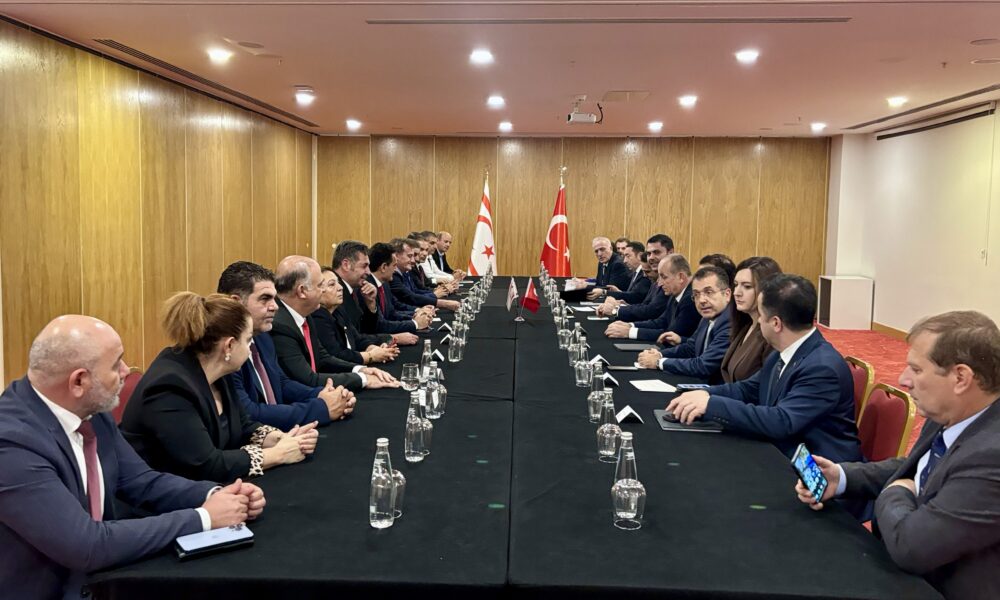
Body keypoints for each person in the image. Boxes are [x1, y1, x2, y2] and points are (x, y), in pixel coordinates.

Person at [0, 315, 265, 599]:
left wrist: (217, 494)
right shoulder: (12, 444)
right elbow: (86, 545)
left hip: (108, 577)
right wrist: (203, 518)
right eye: (116, 364)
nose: (128, 371)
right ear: (79, 381)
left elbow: (143, 481)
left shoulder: (91, 411)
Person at [795, 311, 1000, 600]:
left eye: (916, 369)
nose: (903, 379)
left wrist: (896, 490)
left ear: (960, 378)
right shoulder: (951, 411)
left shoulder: (991, 456)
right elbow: (921, 467)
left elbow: (911, 546)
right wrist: (841, 478)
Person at [121, 293, 319, 482]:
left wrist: (281, 439)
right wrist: (277, 454)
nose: (250, 348)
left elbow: (243, 425)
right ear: (229, 346)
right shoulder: (169, 387)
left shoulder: (219, 370)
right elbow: (206, 464)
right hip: (163, 495)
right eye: (248, 340)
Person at [667, 274, 862, 465]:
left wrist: (712, 405)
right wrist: (704, 394)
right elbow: (748, 389)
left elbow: (782, 421)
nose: (758, 321)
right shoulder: (784, 350)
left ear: (776, 323)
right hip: (783, 450)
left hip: (817, 469)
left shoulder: (821, 368)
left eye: (761, 315)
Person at [217, 261, 356, 429]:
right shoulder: (224, 349)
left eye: (274, 298)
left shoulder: (262, 336)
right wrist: (321, 408)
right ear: (236, 303)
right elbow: (248, 413)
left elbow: (281, 382)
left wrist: (323, 395)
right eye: (265, 299)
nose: (275, 306)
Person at [270, 255, 399, 390]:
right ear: (302, 291)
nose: (323, 290)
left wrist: (360, 370)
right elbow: (308, 379)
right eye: (320, 285)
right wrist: (363, 379)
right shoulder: (281, 326)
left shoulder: (304, 314)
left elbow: (323, 358)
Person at [637, 265, 732, 383]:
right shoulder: (707, 316)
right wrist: (659, 354)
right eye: (696, 294)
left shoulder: (729, 322)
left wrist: (659, 362)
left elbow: (703, 366)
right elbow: (690, 348)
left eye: (709, 292)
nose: (702, 300)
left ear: (727, 294)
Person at [313, 267, 398, 365]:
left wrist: (375, 349)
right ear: (317, 291)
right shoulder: (317, 317)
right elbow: (337, 354)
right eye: (332, 284)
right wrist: (371, 356)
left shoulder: (338, 310)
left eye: (338, 283)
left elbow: (357, 339)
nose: (340, 287)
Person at [605, 253, 699, 341]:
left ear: (681, 277)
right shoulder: (676, 292)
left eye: (664, 277)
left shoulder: (690, 299)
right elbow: (661, 322)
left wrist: (630, 332)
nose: (660, 283)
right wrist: (630, 325)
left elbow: (671, 335)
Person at [720, 257, 782, 383]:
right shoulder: (745, 324)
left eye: (747, 286)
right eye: (736, 285)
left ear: (766, 291)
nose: (736, 292)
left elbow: (762, 386)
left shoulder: (772, 333)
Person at [328, 241, 396, 350]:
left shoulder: (356, 289)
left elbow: (365, 329)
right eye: (364, 266)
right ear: (346, 265)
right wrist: (390, 338)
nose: (368, 272)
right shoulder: (332, 294)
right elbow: (352, 338)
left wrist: (371, 304)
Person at [597, 234, 673, 320]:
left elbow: (651, 311)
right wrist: (625, 307)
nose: (651, 257)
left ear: (670, 252)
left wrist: (616, 310)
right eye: (649, 253)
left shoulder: (669, 280)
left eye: (656, 252)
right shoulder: (656, 279)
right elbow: (645, 305)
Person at [367, 241, 433, 339]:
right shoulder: (368, 289)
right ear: (384, 267)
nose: (395, 270)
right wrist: (415, 324)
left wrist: (415, 315)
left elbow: (392, 313)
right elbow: (380, 325)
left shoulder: (384, 284)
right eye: (394, 265)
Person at [390, 239, 460, 311]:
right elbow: (409, 297)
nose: (413, 260)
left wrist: (437, 291)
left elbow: (415, 290)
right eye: (410, 256)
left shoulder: (406, 271)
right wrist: (437, 297)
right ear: (396, 256)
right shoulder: (393, 276)